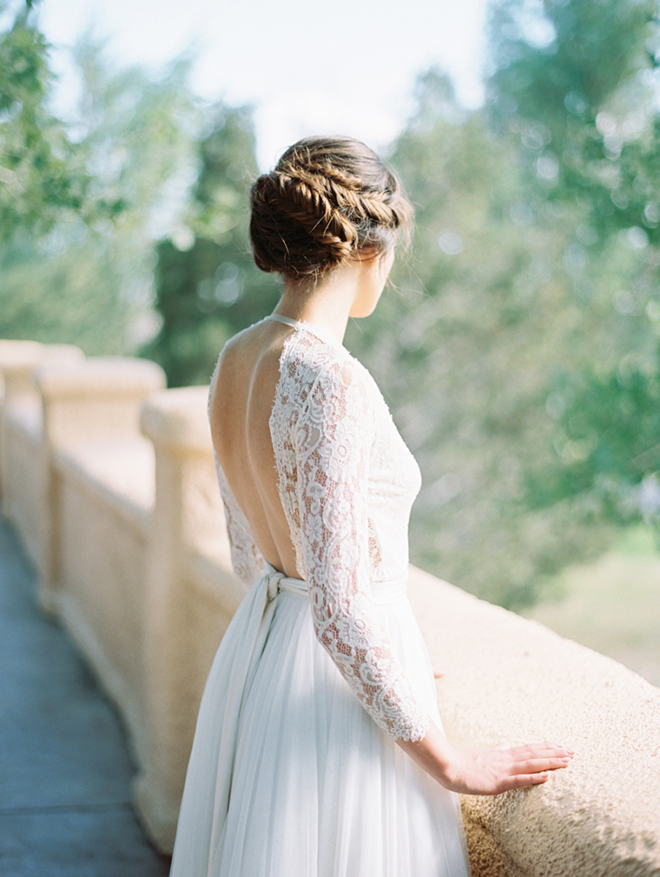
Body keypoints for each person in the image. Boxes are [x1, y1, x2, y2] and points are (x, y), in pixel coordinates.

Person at [168, 136, 573, 877]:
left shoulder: (235, 358)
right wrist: (449, 760)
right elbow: (342, 609)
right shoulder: (329, 379)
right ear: (368, 249)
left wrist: (401, 657)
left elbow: (247, 555)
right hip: (327, 699)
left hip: (261, 661)